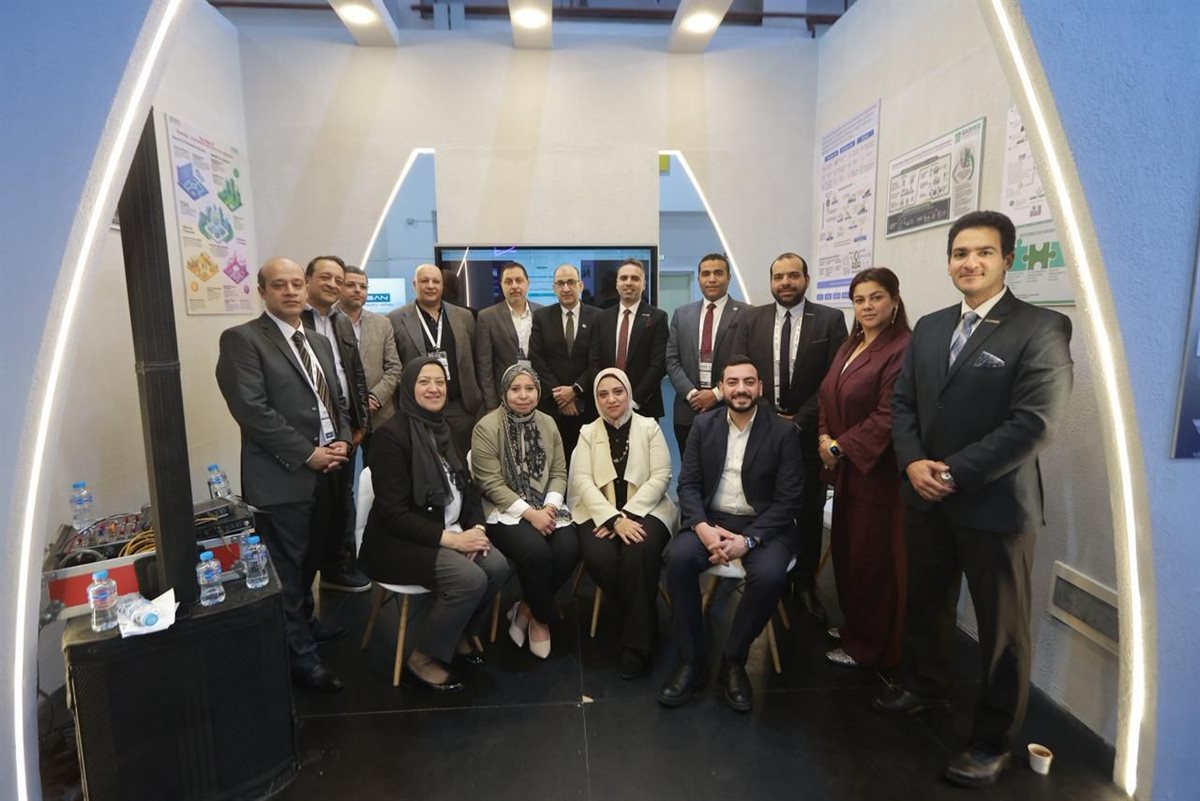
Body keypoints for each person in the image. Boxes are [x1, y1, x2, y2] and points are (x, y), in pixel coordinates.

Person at [873, 211, 1073, 788]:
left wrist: (952, 472)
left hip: (995, 505)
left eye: (984, 252)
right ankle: (925, 686)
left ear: (1007, 259)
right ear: (949, 262)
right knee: (927, 602)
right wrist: (912, 462)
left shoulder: (1040, 327)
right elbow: (904, 404)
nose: (970, 263)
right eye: (960, 253)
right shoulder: (932, 327)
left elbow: (1034, 424)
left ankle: (991, 742)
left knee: (1002, 631)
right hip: (925, 497)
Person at [215, 257, 351, 693]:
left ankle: (307, 626)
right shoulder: (243, 340)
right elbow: (252, 410)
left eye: (295, 284)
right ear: (262, 291)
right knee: (288, 571)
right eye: (280, 285)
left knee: (312, 559)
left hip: (329, 469)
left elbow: (335, 399)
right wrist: (308, 453)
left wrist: (343, 439)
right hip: (283, 476)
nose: (290, 291)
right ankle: (300, 659)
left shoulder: (317, 341)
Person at [659, 357, 802, 712]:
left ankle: (734, 660)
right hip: (712, 519)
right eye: (733, 382)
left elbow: (789, 500)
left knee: (769, 575)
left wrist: (748, 541)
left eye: (749, 382)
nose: (741, 389)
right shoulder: (703, 425)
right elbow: (688, 484)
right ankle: (692, 660)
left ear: (760, 387)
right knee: (677, 560)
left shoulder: (783, 432)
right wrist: (703, 528)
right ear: (721, 388)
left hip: (765, 524)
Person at [359, 357, 510, 692]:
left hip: (449, 529)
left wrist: (477, 529)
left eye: (440, 382)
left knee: (498, 566)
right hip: (398, 542)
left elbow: (469, 490)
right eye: (424, 382)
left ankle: (457, 633)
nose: (434, 389)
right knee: (470, 578)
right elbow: (393, 515)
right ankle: (422, 658)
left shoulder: (447, 429)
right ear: (409, 387)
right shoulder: (390, 437)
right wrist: (452, 541)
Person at [734, 252, 847, 623]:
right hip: (764, 429)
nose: (785, 282)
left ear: (806, 279)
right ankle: (774, 576)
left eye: (793, 276)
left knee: (809, 510)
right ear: (771, 281)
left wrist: (799, 421)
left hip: (809, 432)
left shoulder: (830, 320)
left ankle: (805, 582)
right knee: (768, 504)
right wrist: (770, 415)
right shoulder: (751, 318)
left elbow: (834, 379)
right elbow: (744, 372)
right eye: (779, 276)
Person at [816, 267, 911, 670]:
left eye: (876, 297)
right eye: (859, 299)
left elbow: (889, 415)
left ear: (894, 301)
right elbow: (826, 394)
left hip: (877, 475)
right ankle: (856, 626)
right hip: (846, 470)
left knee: (873, 561)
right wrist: (824, 438)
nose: (867, 306)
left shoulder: (902, 348)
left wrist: (839, 447)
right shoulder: (853, 343)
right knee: (849, 554)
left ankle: (872, 646)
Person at [569, 368, 678, 679]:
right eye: (603, 394)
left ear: (628, 393)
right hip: (598, 512)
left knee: (639, 549)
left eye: (618, 392)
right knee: (600, 556)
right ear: (596, 399)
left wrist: (627, 514)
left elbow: (662, 476)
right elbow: (582, 481)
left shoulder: (649, 427)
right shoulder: (587, 432)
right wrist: (613, 518)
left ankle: (635, 647)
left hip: (647, 508)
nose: (611, 399)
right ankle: (645, 621)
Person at [471, 364, 577, 659]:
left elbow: (559, 471)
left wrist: (550, 507)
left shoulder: (548, 422)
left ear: (538, 392)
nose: (523, 395)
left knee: (569, 548)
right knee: (536, 553)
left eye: (529, 389)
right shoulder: (487, 427)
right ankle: (543, 621)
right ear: (504, 392)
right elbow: (490, 483)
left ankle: (527, 608)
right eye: (515, 389)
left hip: (547, 505)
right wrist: (531, 514)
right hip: (504, 510)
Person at [303, 255, 372, 594]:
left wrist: (361, 424)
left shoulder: (341, 322)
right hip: (309, 433)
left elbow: (355, 375)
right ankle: (307, 581)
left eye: (338, 280)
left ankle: (336, 566)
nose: (333, 285)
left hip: (343, 427)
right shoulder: (295, 320)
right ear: (308, 280)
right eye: (325, 278)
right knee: (313, 507)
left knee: (341, 500)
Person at [388, 264, 483, 458]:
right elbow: (394, 365)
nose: (431, 286)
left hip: (461, 408)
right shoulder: (395, 319)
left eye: (436, 281)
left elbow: (476, 358)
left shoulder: (464, 317)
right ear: (414, 284)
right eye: (424, 281)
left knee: (463, 461)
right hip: (418, 409)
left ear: (442, 286)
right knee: (425, 462)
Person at [665, 253, 750, 456]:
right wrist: (691, 394)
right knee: (690, 466)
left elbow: (750, 361)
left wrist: (716, 394)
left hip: (729, 407)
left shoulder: (747, 313)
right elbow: (671, 359)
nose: (712, 279)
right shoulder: (682, 314)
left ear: (728, 278)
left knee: (728, 465)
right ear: (699, 279)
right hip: (688, 410)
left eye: (718, 273)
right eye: (706, 274)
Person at [528, 263, 601, 459]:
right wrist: (561, 396)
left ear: (581, 285)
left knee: (586, 461)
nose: (566, 288)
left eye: (571, 282)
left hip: (586, 405)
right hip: (552, 407)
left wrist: (575, 390)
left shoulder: (597, 317)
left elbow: (597, 359)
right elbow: (536, 358)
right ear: (554, 288)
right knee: (554, 462)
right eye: (560, 283)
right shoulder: (541, 317)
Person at [591, 258, 669, 419]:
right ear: (617, 284)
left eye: (635, 278)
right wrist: (605, 396)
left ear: (644, 284)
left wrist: (633, 401)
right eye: (624, 278)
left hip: (643, 406)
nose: (628, 283)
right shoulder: (601, 318)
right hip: (607, 406)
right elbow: (594, 360)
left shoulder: (657, 317)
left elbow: (658, 365)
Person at [338, 265, 404, 444]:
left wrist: (374, 398)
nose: (358, 290)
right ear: (339, 287)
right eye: (350, 285)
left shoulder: (382, 323)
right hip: (340, 416)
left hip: (379, 414)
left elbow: (394, 367)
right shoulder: (326, 321)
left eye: (363, 286)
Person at [475, 261, 543, 411]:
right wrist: (491, 405)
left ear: (528, 283)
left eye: (519, 280)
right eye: (508, 282)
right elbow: (484, 366)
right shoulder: (487, 317)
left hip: (539, 397)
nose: (514, 286)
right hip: (504, 398)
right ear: (501, 285)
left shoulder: (542, 313)